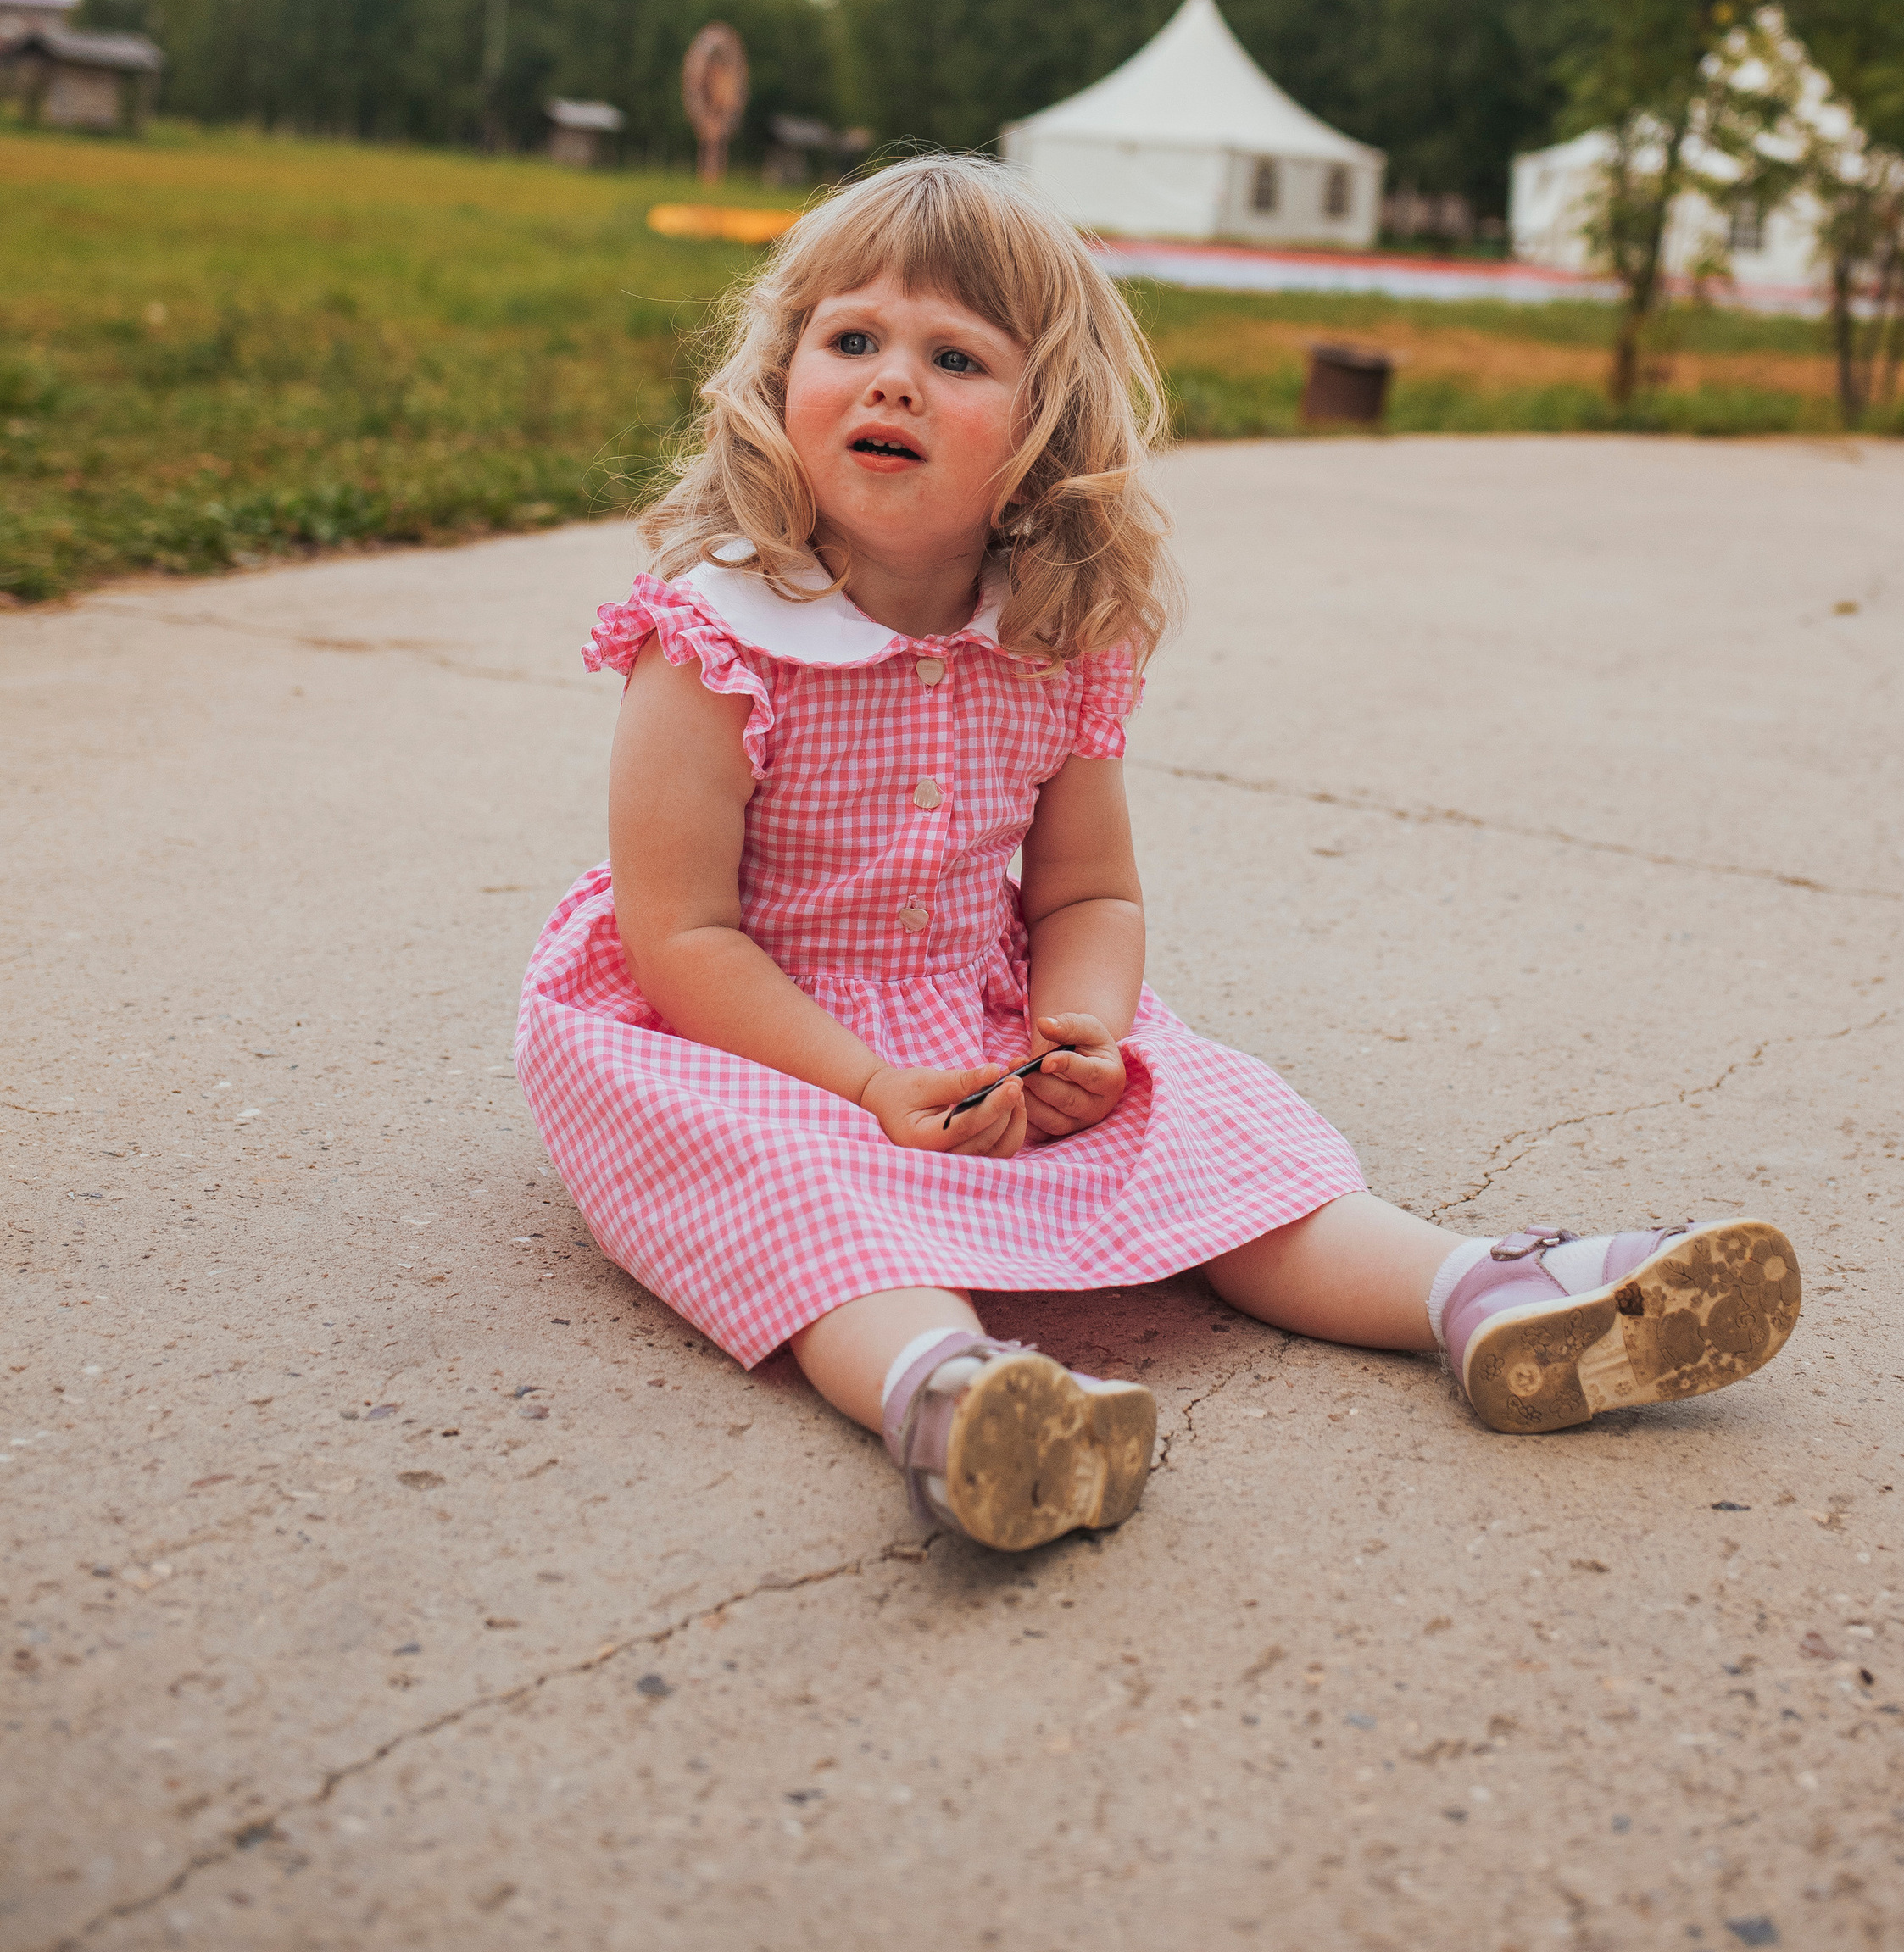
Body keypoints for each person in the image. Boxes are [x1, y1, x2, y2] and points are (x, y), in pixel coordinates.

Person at [518, 155, 1800, 1554]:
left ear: (1044, 429)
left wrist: (1084, 1031)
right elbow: (681, 936)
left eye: (956, 358)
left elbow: (1087, 892)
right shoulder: (717, 639)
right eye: (853, 340)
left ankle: (1476, 1291)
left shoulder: (1049, 641)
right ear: (779, 378)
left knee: (1208, 1126)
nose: (893, 383)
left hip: (975, 1015)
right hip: (741, 1029)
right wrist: (868, 1086)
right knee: (802, 1184)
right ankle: (956, 1397)